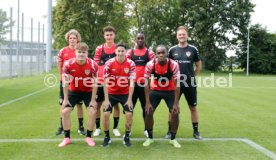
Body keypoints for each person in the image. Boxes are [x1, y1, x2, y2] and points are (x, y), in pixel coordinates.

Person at [58, 42, 98, 147]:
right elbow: (65, 83)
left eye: (83, 52)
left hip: (87, 92)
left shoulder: (93, 64)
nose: (81, 54)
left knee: (93, 111)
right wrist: (65, 99)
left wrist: (93, 100)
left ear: (87, 53)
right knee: (65, 111)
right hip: (73, 92)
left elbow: (95, 83)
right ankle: (67, 138)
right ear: (75, 52)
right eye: (79, 52)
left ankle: (88, 137)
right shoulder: (68, 64)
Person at [143, 45, 181, 148]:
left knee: (175, 113)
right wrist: (147, 102)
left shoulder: (173, 64)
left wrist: (176, 104)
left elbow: (177, 85)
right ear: (156, 54)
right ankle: (150, 138)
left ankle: (173, 139)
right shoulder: (150, 64)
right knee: (148, 111)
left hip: (170, 91)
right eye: (158, 53)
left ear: (167, 53)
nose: (161, 55)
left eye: (163, 52)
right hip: (155, 90)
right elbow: (146, 84)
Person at [168, 26, 202, 140]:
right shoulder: (172, 50)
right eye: (180, 34)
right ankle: (169, 131)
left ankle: (196, 132)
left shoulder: (193, 49)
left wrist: (192, 76)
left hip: (189, 84)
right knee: (172, 108)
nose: (182, 36)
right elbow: (168, 66)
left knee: (193, 107)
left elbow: (198, 65)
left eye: (183, 34)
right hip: (175, 84)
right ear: (177, 36)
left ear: (187, 35)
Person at [102, 42, 136, 147]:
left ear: (126, 52)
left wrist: (130, 99)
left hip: (125, 93)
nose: (120, 53)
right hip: (111, 93)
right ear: (115, 51)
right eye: (119, 51)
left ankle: (126, 137)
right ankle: (107, 137)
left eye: (122, 51)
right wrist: (106, 99)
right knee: (106, 114)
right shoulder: (109, 63)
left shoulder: (131, 63)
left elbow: (132, 82)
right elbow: (105, 82)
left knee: (129, 114)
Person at [93, 25, 121, 137]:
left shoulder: (118, 48)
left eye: (111, 34)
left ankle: (115, 128)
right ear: (104, 36)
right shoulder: (100, 48)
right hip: (101, 81)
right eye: (107, 35)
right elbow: (95, 64)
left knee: (116, 106)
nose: (109, 36)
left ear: (114, 35)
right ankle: (98, 128)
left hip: (115, 82)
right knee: (98, 105)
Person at [56, 29, 85, 136]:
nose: (72, 40)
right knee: (63, 103)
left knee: (79, 104)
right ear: (68, 39)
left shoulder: (80, 50)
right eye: (70, 38)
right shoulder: (62, 51)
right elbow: (59, 66)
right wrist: (63, 78)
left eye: (74, 38)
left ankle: (81, 127)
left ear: (78, 39)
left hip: (78, 82)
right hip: (66, 82)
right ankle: (62, 126)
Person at [126, 32, 155, 137]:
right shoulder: (130, 53)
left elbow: (154, 68)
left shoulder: (150, 53)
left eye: (142, 38)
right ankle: (128, 130)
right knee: (129, 109)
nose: (140, 40)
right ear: (135, 39)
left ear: (144, 39)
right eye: (138, 38)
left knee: (146, 108)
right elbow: (125, 65)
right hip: (132, 86)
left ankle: (147, 129)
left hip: (145, 86)